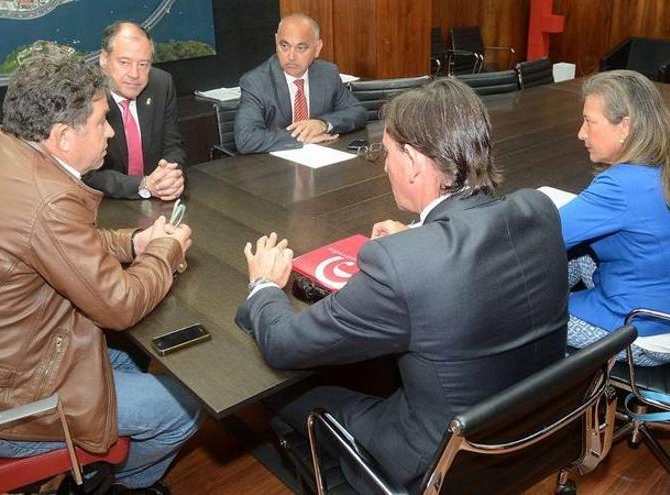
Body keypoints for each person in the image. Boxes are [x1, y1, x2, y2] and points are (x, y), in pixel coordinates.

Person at [236, 78, 568, 490]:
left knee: (288, 394)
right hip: (537, 428)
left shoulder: (403, 263)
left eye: (387, 152)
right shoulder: (538, 209)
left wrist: (265, 285)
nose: (385, 165)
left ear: (412, 160)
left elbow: (285, 344)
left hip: (439, 465)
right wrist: (417, 237)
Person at [0, 42, 200, 494]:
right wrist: (165, 252)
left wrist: (133, 242)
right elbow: (118, 306)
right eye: (101, 122)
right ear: (61, 136)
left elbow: (51, 245)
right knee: (184, 409)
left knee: (140, 365)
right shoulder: (47, 200)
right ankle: (116, 484)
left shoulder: (8, 151)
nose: (111, 133)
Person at [561, 70, 670, 366]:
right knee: (575, 255)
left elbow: (544, 234)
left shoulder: (622, 185)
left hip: (640, 333)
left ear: (625, 127)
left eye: (589, 122)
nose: (581, 133)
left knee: (519, 318)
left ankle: (559, 391)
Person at [234, 13, 366, 154]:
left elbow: (358, 112)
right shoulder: (256, 82)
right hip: (274, 167)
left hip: (321, 158)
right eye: (284, 46)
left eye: (301, 48)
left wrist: (323, 124)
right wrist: (302, 137)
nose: (291, 56)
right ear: (276, 41)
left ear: (317, 48)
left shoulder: (327, 73)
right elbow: (246, 139)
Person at [84, 21, 186, 201]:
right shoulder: (86, 94)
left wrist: (171, 177)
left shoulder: (161, 84)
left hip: (157, 201)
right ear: (104, 60)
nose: (134, 74)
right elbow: (84, 173)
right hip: (103, 205)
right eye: (124, 62)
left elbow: (173, 146)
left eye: (143, 64)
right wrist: (143, 185)